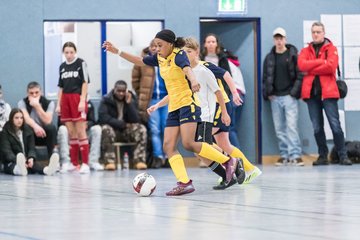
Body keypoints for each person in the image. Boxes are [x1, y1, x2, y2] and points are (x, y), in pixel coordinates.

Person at [103, 29, 238, 196]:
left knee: (189, 144)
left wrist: (194, 80)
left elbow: (187, 69)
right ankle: (184, 183)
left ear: (170, 44)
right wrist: (118, 51)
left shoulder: (178, 54)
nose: (157, 49)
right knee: (168, 146)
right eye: (155, 46)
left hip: (188, 104)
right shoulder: (160, 58)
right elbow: (139, 61)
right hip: (174, 107)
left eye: (160, 45)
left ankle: (229, 160)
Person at [298, 22, 351, 165]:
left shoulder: (331, 48)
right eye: (313, 32)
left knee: (335, 125)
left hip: (329, 94)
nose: (316, 34)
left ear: (323, 33)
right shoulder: (305, 50)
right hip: (312, 95)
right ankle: (322, 156)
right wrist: (321, 62)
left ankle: (342, 155)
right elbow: (302, 65)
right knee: (317, 128)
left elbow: (331, 67)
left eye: (318, 32)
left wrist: (312, 67)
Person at [263, 27, 304, 166]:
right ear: (274, 40)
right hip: (275, 97)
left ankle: (295, 155)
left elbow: (300, 75)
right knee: (279, 128)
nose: (279, 41)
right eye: (276, 38)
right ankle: (284, 154)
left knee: (291, 126)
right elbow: (265, 77)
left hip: (289, 96)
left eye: (281, 38)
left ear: (285, 39)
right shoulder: (269, 57)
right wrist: (268, 93)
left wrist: (294, 93)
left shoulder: (293, 55)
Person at [201, 33, 244, 149]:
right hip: (207, 101)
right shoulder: (200, 60)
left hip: (221, 99)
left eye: (213, 42)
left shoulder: (222, 59)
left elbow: (227, 77)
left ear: (217, 44)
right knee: (220, 139)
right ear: (204, 44)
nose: (210, 44)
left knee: (207, 135)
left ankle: (232, 160)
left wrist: (233, 94)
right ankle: (227, 160)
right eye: (208, 42)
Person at [132, 40, 168, 169]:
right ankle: (158, 157)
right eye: (152, 46)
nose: (155, 48)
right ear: (149, 47)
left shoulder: (167, 60)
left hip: (166, 100)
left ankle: (168, 156)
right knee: (154, 129)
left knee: (167, 128)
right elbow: (135, 80)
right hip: (151, 100)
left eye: (158, 46)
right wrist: (143, 94)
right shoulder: (143, 61)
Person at [56, 41, 91, 174]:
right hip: (65, 98)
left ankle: (86, 164)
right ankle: (74, 163)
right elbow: (60, 86)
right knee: (71, 132)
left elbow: (85, 82)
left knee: (81, 130)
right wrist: (59, 104)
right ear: (63, 53)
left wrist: (82, 100)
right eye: (66, 52)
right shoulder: (62, 66)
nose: (69, 55)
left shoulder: (81, 63)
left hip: (77, 98)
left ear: (75, 52)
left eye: (71, 52)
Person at [98, 80, 148, 170]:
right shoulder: (106, 100)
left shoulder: (131, 99)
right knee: (106, 128)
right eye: (119, 91)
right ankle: (109, 162)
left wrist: (129, 104)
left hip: (126, 131)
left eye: (123, 91)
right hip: (113, 129)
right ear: (114, 90)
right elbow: (103, 118)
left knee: (141, 129)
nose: (121, 93)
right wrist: (122, 124)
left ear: (126, 91)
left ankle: (139, 160)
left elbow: (136, 119)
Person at [0, 108, 59, 176]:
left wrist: (31, 157)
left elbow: (32, 148)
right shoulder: (5, 132)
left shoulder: (28, 129)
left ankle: (48, 170)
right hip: (12, 161)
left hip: (26, 159)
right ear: (11, 119)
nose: (19, 120)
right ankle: (20, 170)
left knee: (34, 164)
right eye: (16, 118)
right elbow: (7, 152)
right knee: (11, 166)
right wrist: (18, 160)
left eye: (21, 118)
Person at [58, 99, 103, 172]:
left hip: (85, 132)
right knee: (62, 129)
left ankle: (93, 161)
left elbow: (93, 121)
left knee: (97, 129)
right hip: (71, 132)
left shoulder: (88, 103)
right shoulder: (66, 102)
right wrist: (73, 125)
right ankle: (65, 162)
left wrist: (86, 124)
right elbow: (60, 122)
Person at [18, 81, 58, 159]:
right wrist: (36, 127)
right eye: (31, 93)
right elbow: (26, 118)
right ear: (27, 93)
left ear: (41, 92)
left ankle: (53, 159)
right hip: (30, 135)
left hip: (44, 135)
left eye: (37, 92)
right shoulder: (22, 102)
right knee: (26, 127)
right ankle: (30, 159)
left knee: (51, 127)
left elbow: (48, 120)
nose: (34, 95)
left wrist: (37, 106)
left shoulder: (49, 103)